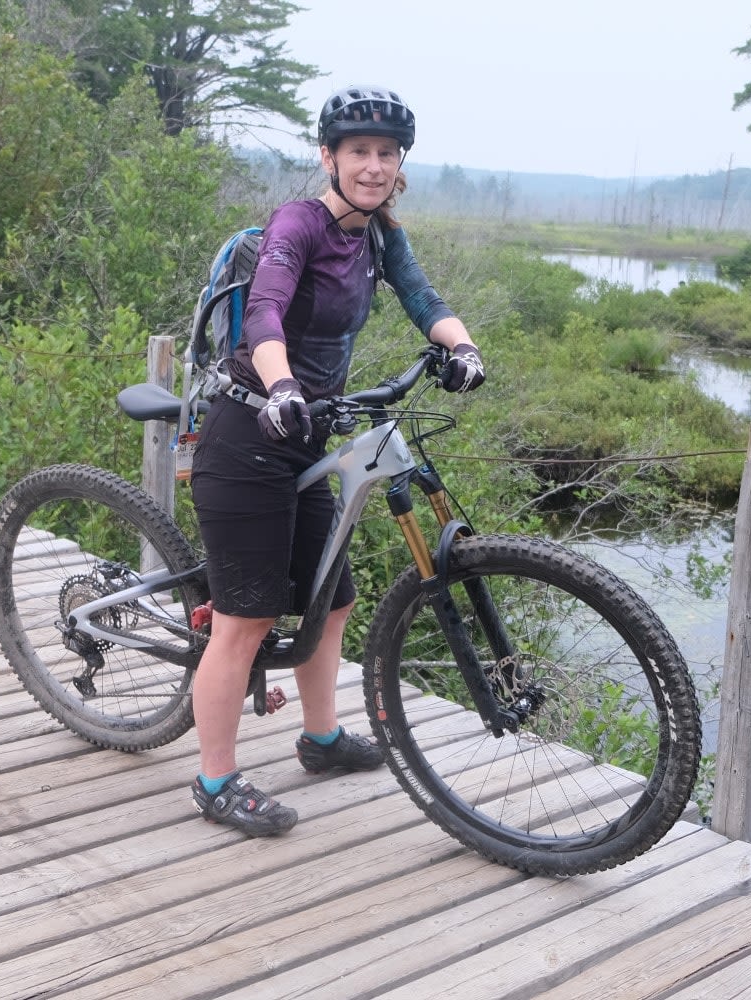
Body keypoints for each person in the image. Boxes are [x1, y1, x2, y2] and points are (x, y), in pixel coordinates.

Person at [186, 84, 487, 836]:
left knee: (334, 600)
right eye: (359, 152)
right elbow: (264, 307)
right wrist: (282, 381)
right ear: (329, 157)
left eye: (387, 154)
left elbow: (422, 297)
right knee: (244, 621)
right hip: (250, 433)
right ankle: (215, 780)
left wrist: (462, 345)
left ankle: (319, 739)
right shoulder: (299, 224)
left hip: (307, 436)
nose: (375, 166)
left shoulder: (381, 236)